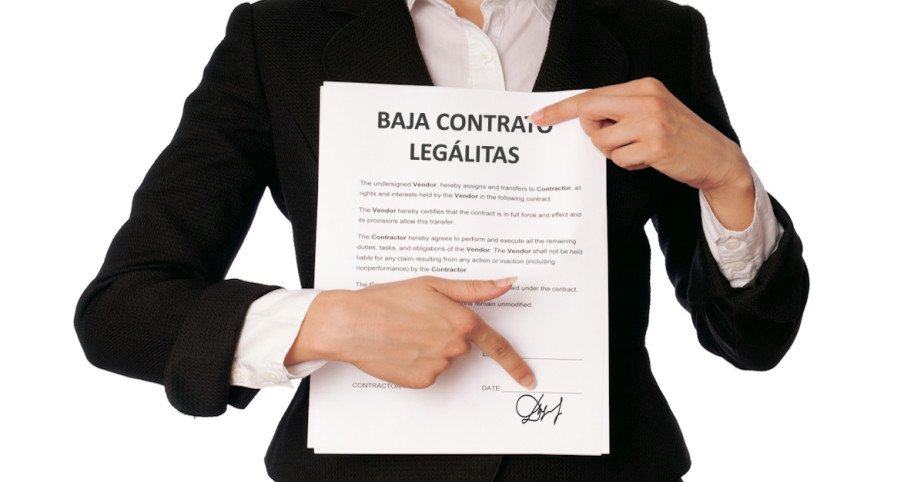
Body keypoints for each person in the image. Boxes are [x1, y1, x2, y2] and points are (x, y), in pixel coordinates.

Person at [75, 0, 809, 480]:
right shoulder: (279, 35)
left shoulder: (659, 34)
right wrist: (331, 322)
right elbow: (123, 309)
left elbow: (753, 339)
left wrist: (729, 181)